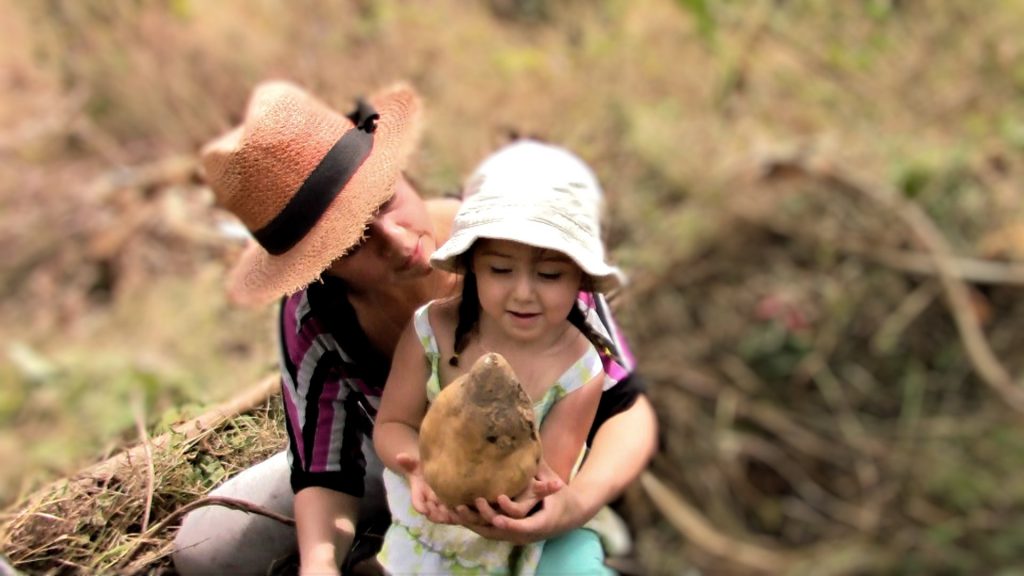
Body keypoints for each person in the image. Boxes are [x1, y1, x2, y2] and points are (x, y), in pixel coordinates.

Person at [171, 79, 657, 575]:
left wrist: (571, 506)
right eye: (354, 240)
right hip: (399, 453)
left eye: (385, 202)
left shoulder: (523, 246)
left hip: (545, 455)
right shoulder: (316, 320)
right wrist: (321, 564)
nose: (399, 242)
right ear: (315, 266)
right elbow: (324, 469)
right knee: (205, 546)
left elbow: (627, 409)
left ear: (399, 172)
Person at [374, 142, 627, 574]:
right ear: (473, 266)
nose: (523, 292)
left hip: (525, 530)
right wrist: (418, 466)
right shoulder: (430, 331)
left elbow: (551, 476)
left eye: (549, 274)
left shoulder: (581, 368)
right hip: (433, 523)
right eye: (501, 270)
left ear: (580, 278)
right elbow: (392, 424)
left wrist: (534, 493)